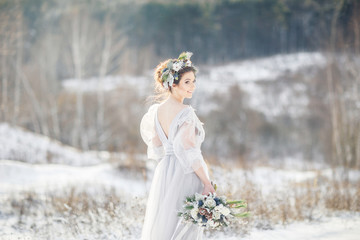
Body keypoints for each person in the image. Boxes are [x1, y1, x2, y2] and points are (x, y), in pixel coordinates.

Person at [140, 52, 216, 240]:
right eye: (187, 82)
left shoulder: (156, 111)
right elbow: (189, 150)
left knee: (165, 224)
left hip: (165, 171)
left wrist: (169, 161)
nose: (193, 86)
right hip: (185, 172)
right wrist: (206, 182)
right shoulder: (186, 113)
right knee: (185, 226)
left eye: (194, 81)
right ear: (173, 84)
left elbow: (157, 145)